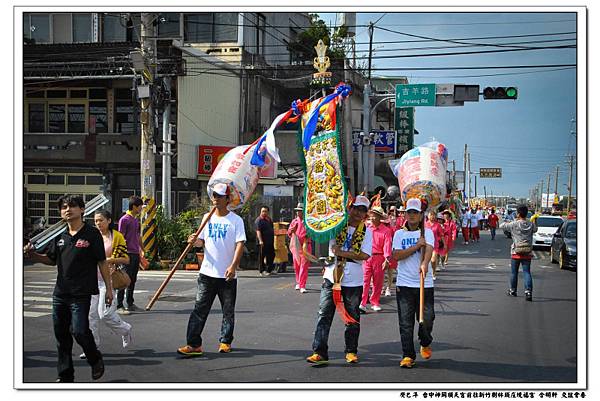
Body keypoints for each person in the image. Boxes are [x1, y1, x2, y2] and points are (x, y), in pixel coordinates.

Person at [23, 195, 110, 382]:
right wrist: (34, 256)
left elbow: (102, 262)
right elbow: (51, 259)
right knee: (61, 337)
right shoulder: (59, 235)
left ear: (82, 210)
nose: (67, 209)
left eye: (72, 206)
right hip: (61, 293)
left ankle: (95, 359)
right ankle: (65, 376)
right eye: (63, 207)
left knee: (79, 331)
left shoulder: (91, 234)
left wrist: (109, 290)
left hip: (82, 293)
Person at [178, 183, 246, 356]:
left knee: (227, 311)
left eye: (219, 196)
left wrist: (233, 265)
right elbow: (202, 242)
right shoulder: (206, 218)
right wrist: (194, 241)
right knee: (199, 309)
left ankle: (225, 341)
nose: (215, 199)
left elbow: (240, 244)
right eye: (214, 195)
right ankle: (193, 344)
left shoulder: (236, 221)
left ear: (227, 199)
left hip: (227, 275)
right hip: (207, 273)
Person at [306, 195, 373, 365]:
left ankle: (351, 351)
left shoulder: (367, 231)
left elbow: (364, 255)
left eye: (362, 210)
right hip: (332, 276)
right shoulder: (336, 226)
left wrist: (341, 252)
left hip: (354, 279)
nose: (358, 213)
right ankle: (319, 351)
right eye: (356, 208)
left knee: (352, 316)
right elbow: (319, 232)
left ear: (366, 214)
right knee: (324, 314)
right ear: (350, 208)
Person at [80, 209, 133, 359]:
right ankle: (92, 347)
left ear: (109, 221)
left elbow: (126, 259)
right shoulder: (90, 237)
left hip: (107, 280)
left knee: (104, 314)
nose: (98, 223)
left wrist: (107, 260)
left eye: (101, 220)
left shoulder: (116, 237)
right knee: (90, 316)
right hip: (91, 281)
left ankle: (125, 329)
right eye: (96, 221)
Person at [392, 197, 435, 369]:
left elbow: (429, 249)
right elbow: (396, 255)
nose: (411, 215)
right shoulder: (399, 234)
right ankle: (408, 355)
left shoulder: (428, 232)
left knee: (427, 319)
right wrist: (416, 247)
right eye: (408, 212)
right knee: (405, 322)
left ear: (420, 214)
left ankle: (425, 341)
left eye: (415, 213)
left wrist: (424, 263)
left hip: (425, 283)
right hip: (404, 284)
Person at [499, 205, 538, 301]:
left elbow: (501, 226)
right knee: (527, 272)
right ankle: (528, 292)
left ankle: (513, 290)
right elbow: (536, 229)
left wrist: (509, 221)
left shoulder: (514, 224)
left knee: (514, 272)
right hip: (527, 252)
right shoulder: (530, 224)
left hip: (516, 252)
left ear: (519, 213)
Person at [360, 206, 392, 312]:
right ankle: (363, 302)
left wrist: (387, 259)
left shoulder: (386, 231)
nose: (372, 218)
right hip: (367, 257)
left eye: (374, 216)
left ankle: (375, 302)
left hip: (379, 257)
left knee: (378, 282)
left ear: (379, 217)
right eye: (371, 216)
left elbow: (387, 245)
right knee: (365, 281)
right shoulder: (366, 228)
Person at [116, 195, 144, 314]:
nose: (141, 209)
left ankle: (130, 303)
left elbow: (138, 236)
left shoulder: (136, 220)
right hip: (127, 254)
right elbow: (120, 237)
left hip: (135, 253)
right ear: (134, 207)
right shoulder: (124, 219)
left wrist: (142, 249)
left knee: (132, 279)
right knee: (124, 279)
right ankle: (119, 305)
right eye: (140, 207)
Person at [288, 202, 312, 293]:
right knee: (296, 264)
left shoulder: (308, 222)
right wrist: (292, 231)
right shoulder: (294, 221)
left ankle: (302, 285)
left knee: (304, 265)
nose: (299, 213)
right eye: (297, 211)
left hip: (306, 244)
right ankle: (298, 281)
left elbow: (312, 233)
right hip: (296, 245)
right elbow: (289, 233)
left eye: (300, 211)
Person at [255, 206, 275, 277]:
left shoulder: (269, 219)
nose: (264, 213)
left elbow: (271, 229)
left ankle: (269, 269)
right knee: (261, 256)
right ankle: (262, 270)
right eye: (262, 211)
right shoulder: (259, 220)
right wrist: (260, 240)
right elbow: (258, 231)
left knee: (271, 255)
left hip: (270, 241)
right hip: (263, 242)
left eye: (265, 211)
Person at [425, 210, 445, 280]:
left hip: (435, 245)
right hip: (426, 245)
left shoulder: (437, 225)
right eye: (431, 215)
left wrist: (444, 244)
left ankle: (433, 272)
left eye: (433, 215)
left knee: (433, 260)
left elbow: (442, 235)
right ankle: (426, 272)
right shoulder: (425, 224)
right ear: (428, 216)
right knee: (426, 260)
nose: (432, 217)